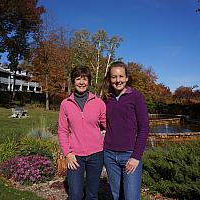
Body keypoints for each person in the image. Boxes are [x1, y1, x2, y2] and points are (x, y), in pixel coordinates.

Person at [101, 61, 149, 200]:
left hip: (130, 155)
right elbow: (102, 122)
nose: (118, 80)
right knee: (117, 196)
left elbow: (144, 128)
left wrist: (136, 156)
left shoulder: (136, 97)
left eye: (121, 76)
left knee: (131, 197)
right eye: (114, 77)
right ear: (109, 79)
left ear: (127, 78)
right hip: (109, 155)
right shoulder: (106, 98)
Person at [58, 65, 106, 200]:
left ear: (89, 82)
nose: (81, 82)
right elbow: (62, 130)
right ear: (73, 81)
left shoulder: (99, 103)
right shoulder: (65, 104)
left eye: (84, 79)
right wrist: (67, 153)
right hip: (75, 156)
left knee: (92, 195)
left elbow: (107, 125)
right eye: (78, 79)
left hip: (96, 155)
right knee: (76, 195)